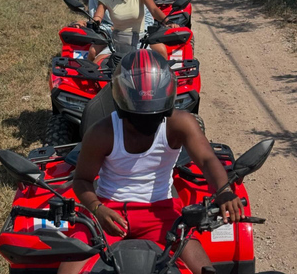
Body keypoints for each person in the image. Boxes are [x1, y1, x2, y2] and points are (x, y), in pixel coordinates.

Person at [57, 50, 244, 274]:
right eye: (139, 116)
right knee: (67, 271)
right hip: (109, 211)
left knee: (205, 270)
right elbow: (82, 180)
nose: (147, 121)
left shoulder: (181, 124)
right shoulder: (102, 132)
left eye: (155, 114)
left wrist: (224, 191)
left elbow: (206, 159)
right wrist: (98, 209)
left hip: (162, 213)